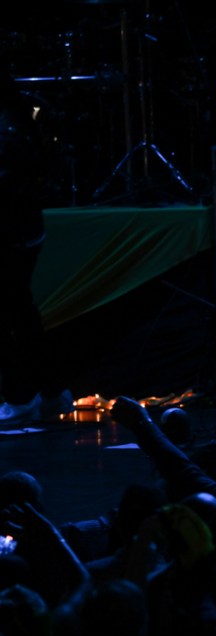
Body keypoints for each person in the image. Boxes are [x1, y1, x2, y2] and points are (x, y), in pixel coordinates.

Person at [0, 73, 72, 426]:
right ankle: (50, 390)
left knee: (13, 313)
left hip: (11, 223)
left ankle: (25, 393)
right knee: (20, 310)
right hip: (23, 222)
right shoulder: (28, 109)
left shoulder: (16, 118)